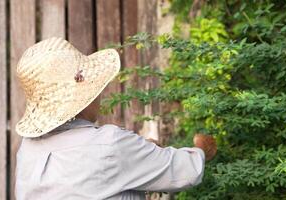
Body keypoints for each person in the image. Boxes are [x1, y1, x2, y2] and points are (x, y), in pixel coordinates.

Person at [14, 37, 217, 200]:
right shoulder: (111, 144)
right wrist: (202, 150)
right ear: (83, 98)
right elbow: (185, 170)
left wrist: (137, 152)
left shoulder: (27, 149)